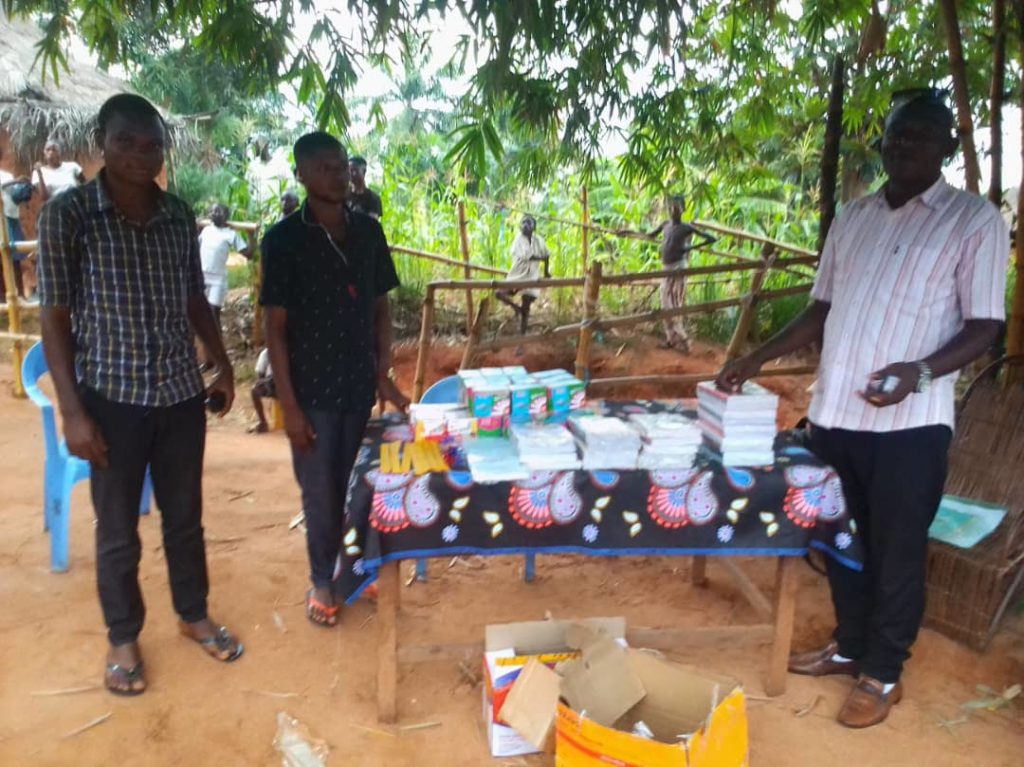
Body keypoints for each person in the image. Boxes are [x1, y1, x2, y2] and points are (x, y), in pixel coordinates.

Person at [716, 91, 1008, 729]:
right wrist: (756, 357)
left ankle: (883, 672)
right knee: (840, 539)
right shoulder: (853, 217)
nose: (905, 145)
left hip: (909, 426)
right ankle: (849, 645)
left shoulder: (973, 221)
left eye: (921, 135)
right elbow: (821, 309)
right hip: (833, 418)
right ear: (883, 141)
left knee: (897, 549)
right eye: (897, 134)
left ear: (948, 146)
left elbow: (985, 325)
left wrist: (918, 372)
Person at [37, 93, 243, 697]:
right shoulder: (69, 216)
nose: (140, 154)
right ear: (102, 143)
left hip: (179, 395)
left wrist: (222, 364)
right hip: (111, 397)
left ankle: (193, 614)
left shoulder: (178, 214)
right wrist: (72, 412)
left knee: (185, 518)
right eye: (125, 141)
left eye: (152, 144)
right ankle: (123, 636)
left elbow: (194, 298)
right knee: (118, 529)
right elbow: (54, 317)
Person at [261, 132, 408, 628]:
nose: (337, 174)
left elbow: (381, 306)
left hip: (357, 385)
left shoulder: (368, 232)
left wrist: (382, 373)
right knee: (320, 490)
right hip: (310, 392)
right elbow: (275, 327)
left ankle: (355, 571)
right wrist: (290, 407)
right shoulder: (283, 240)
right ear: (300, 174)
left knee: (357, 485)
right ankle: (323, 579)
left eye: (341, 165)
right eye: (324, 167)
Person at [649, 195, 716, 353]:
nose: (673, 211)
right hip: (666, 267)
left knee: (675, 302)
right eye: (672, 208)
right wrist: (627, 232)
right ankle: (671, 339)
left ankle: (683, 339)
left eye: (677, 208)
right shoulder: (665, 225)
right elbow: (650, 235)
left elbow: (711, 238)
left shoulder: (686, 227)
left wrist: (689, 248)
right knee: (665, 301)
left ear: (683, 210)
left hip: (679, 266)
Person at [495, 215, 551, 334]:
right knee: (499, 293)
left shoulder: (538, 240)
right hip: (518, 274)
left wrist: (546, 272)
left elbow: (547, 255)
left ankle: (522, 336)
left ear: (534, 227)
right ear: (520, 226)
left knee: (526, 306)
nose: (525, 225)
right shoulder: (518, 240)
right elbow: (528, 256)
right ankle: (517, 308)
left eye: (528, 223)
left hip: (531, 276)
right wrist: (541, 259)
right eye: (523, 222)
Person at [0, 149, 31, 298]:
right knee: (2, 256)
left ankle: (20, 294)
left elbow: (13, 195)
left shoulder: (6, 175)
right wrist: (15, 181)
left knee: (15, 257)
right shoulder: (9, 178)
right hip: (1, 219)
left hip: (11, 217)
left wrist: (23, 189)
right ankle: (3, 297)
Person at [249, 347, 275, 434]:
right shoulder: (266, 353)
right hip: (273, 383)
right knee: (255, 390)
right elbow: (260, 375)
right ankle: (263, 423)